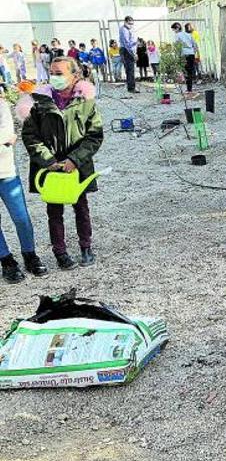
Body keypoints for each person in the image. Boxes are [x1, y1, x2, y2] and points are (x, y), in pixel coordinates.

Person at [16, 56, 104, 269]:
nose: (54, 77)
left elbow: (95, 135)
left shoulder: (85, 101)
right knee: (54, 211)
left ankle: (86, 246)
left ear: (74, 76)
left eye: (59, 73)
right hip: (51, 167)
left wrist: (75, 159)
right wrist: (48, 161)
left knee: (81, 206)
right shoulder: (38, 102)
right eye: (52, 73)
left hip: (77, 166)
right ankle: (60, 252)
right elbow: (30, 136)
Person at [0, 86, 48, 283]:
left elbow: (8, 136)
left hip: (6, 171)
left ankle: (30, 254)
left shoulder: (1, 105)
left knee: (21, 218)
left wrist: (6, 141)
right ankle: (6, 261)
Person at [171, 22, 198, 95]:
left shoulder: (177, 35)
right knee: (190, 72)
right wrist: (193, 52)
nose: (174, 31)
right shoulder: (188, 34)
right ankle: (189, 89)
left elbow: (177, 46)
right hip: (191, 54)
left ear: (177, 28)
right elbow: (195, 45)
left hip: (183, 55)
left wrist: (177, 57)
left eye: (174, 30)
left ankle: (188, 89)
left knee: (185, 71)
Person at [118, 16, 138, 92]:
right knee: (130, 70)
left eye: (132, 24)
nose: (131, 25)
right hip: (126, 51)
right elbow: (127, 44)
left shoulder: (128, 29)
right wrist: (133, 54)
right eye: (129, 23)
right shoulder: (124, 30)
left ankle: (131, 86)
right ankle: (131, 88)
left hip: (128, 50)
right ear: (125, 22)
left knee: (130, 70)